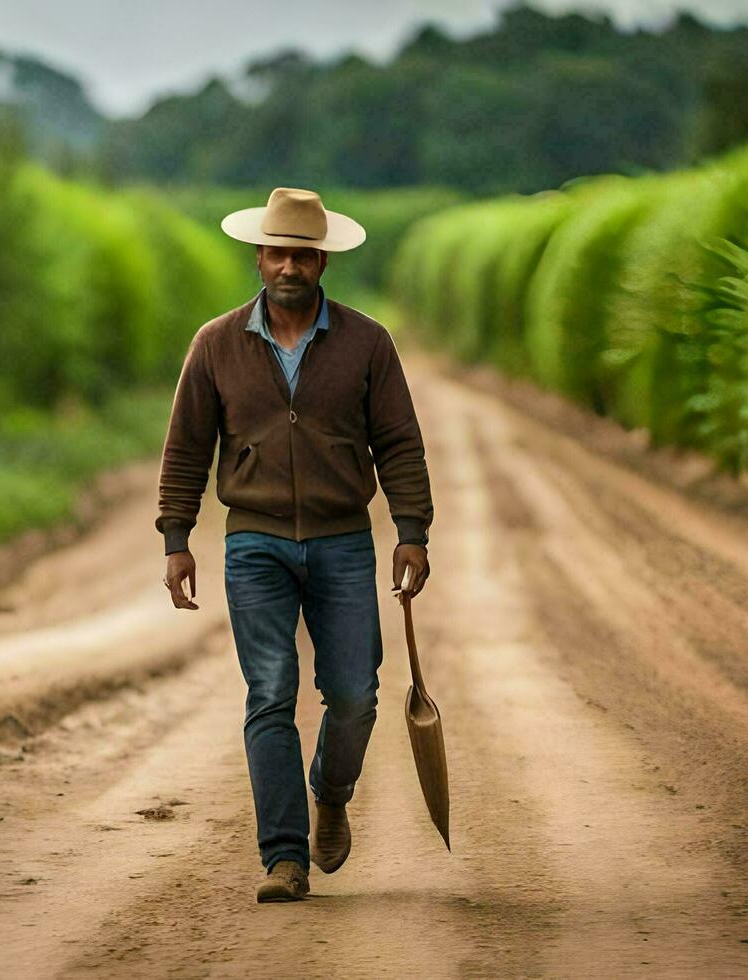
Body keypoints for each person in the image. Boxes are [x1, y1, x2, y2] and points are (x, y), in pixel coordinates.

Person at [155, 187, 434, 903]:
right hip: (254, 543)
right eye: (277, 252)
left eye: (303, 255)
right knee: (270, 692)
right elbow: (187, 447)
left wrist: (411, 531)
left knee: (354, 696)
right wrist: (176, 537)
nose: (288, 266)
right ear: (259, 256)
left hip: (344, 542)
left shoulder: (368, 343)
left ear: (322, 261)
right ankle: (284, 857)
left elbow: (399, 442)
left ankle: (330, 794)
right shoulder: (215, 344)